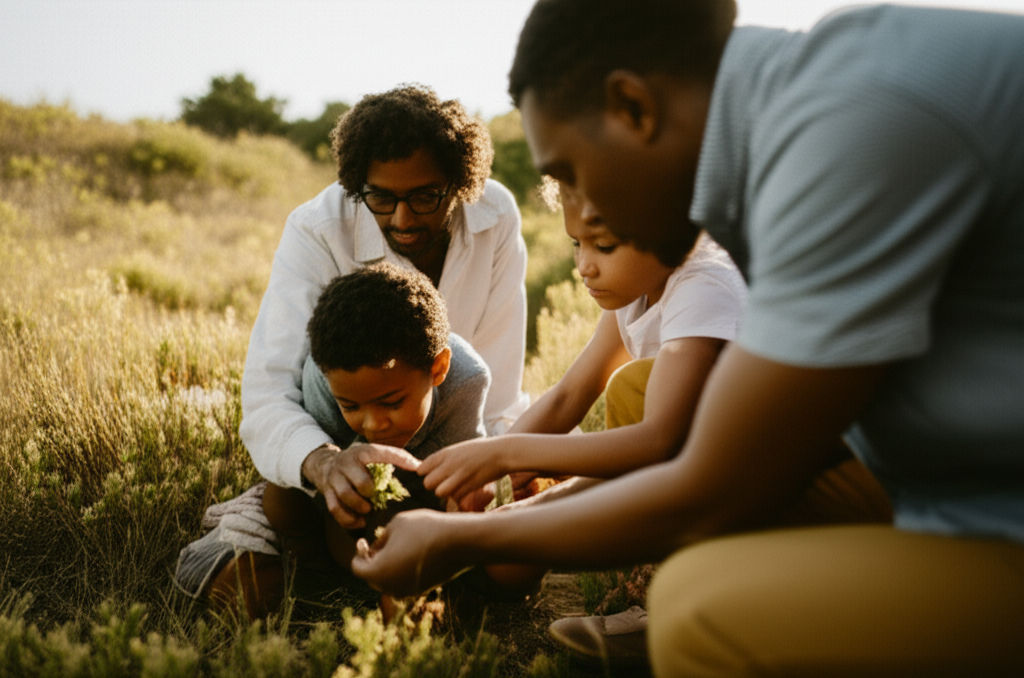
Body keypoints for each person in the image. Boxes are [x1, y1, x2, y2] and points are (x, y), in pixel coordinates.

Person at [350, 1, 1024, 675]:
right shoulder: (818, 100)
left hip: (986, 523)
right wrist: (481, 524)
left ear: (632, 108)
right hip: (942, 493)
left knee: (703, 609)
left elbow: (712, 484)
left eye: (572, 170)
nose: (579, 206)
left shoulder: (851, 132)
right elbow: (722, 453)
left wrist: (457, 541)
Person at [240, 83, 530, 510]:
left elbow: (499, 390)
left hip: (453, 443)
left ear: (459, 184)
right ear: (358, 186)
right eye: (380, 197)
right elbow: (267, 393)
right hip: (341, 448)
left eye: (425, 197)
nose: (403, 219)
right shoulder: (316, 230)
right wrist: (325, 464)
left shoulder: (495, 214)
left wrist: (489, 479)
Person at [177, 262, 491, 617]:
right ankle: (312, 571)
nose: (373, 423)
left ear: (438, 369)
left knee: (486, 564)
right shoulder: (322, 383)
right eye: (351, 406)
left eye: (391, 403)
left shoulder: (467, 382)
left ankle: (392, 587)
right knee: (281, 499)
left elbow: (456, 478)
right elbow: (321, 490)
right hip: (339, 499)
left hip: (417, 494)